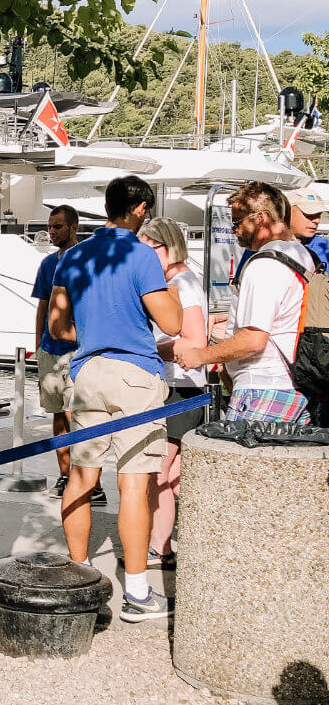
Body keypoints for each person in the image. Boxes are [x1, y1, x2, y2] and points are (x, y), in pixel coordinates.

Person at [48, 175, 182, 623]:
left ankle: (78, 577)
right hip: (136, 375)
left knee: (81, 479)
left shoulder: (74, 256)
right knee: (133, 486)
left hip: (86, 374)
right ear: (140, 209)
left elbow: (58, 330)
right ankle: (138, 595)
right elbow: (172, 322)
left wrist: (91, 333)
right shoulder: (141, 255)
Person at [175, 181, 313, 423]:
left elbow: (253, 339)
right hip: (296, 385)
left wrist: (202, 356)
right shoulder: (303, 256)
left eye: (238, 222)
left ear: (260, 219)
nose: (234, 230)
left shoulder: (264, 265)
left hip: (263, 386)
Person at [138, 218, 208, 571]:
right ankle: (162, 548)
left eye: (149, 250)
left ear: (167, 247)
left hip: (180, 386)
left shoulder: (182, 284)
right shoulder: (179, 281)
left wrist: (145, 349)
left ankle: (158, 547)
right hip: (184, 386)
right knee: (172, 478)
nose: (144, 258)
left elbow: (194, 341)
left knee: (158, 473)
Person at [31, 207, 103, 505]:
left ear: (73, 227)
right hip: (50, 351)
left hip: (77, 350)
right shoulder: (47, 264)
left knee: (78, 415)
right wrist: (38, 346)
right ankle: (64, 474)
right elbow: (43, 307)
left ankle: (87, 480)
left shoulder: (87, 260)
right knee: (58, 415)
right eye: (50, 227)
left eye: (58, 226)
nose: (52, 232)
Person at [288, 189, 329, 269]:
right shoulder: (267, 247)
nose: (316, 220)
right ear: (287, 213)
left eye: (318, 215)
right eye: (309, 215)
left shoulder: (324, 246)